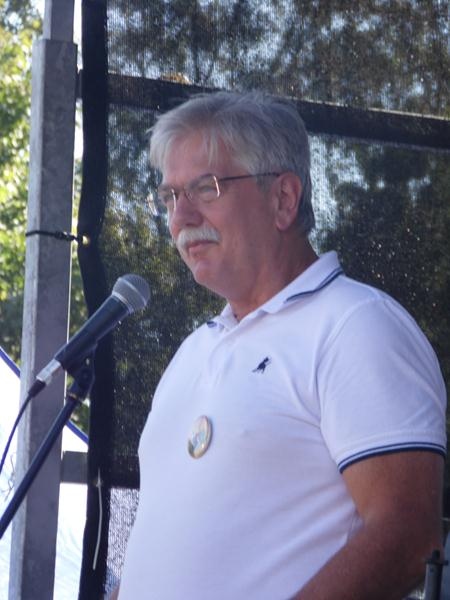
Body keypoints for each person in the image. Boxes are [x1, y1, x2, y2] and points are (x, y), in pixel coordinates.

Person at [115, 91, 446, 600]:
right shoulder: (193, 351)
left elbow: (407, 537)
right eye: (170, 197)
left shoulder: (355, 325)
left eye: (205, 188)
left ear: (283, 199)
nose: (180, 218)